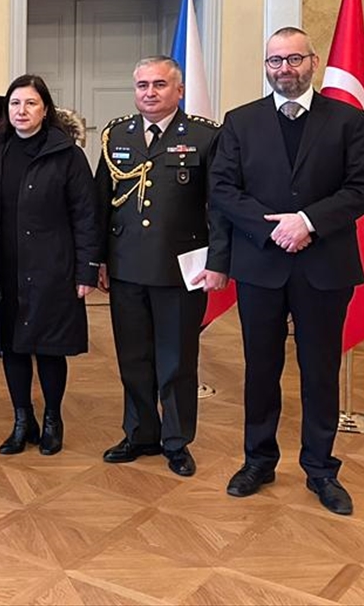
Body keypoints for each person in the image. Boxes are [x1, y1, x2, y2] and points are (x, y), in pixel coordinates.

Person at [210, 27, 364, 516]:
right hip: (261, 265)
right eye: (275, 61)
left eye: (294, 59)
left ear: (313, 62)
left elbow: (360, 187)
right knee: (261, 369)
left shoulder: (349, 120)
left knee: (319, 370)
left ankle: (320, 469)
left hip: (324, 266)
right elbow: (223, 189)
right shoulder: (240, 122)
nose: (285, 69)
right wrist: (273, 228)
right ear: (266, 65)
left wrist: (308, 223)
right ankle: (258, 460)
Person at [95, 56, 230, 477]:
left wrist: (219, 261)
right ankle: (140, 432)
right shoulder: (118, 133)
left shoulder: (206, 138)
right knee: (133, 358)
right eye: (141, 85)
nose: (149, 93)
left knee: (176, 360)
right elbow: (101, 202)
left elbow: (221, 208)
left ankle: (176, 440)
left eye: (159, 84)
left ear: (179, 89)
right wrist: (97, 259)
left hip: (180, 269)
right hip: (126, 266)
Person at [0, 74, 100, 456]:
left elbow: (85, 215)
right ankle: (23, 419)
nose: (22, 111)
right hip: (2, 265)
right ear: (7, 110)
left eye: (31, 104)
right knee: (12, 346)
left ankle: (53, 419)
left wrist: (87, 269)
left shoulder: (66, 154)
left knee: (50, 347)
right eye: (15, 104)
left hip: (52, 266)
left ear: (45, 109)